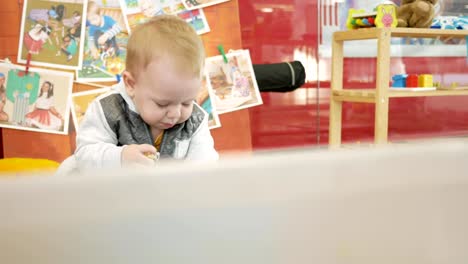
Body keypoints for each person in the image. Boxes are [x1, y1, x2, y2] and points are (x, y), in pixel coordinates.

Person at [56, 15, 218, 175]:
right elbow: (85, 156)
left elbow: (205, 166)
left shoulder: (195, 121)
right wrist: (120, 158)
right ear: (131, 84)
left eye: (186, 103)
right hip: (114, 194)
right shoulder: (107, 109)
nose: (175, 114)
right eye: (162, 104)